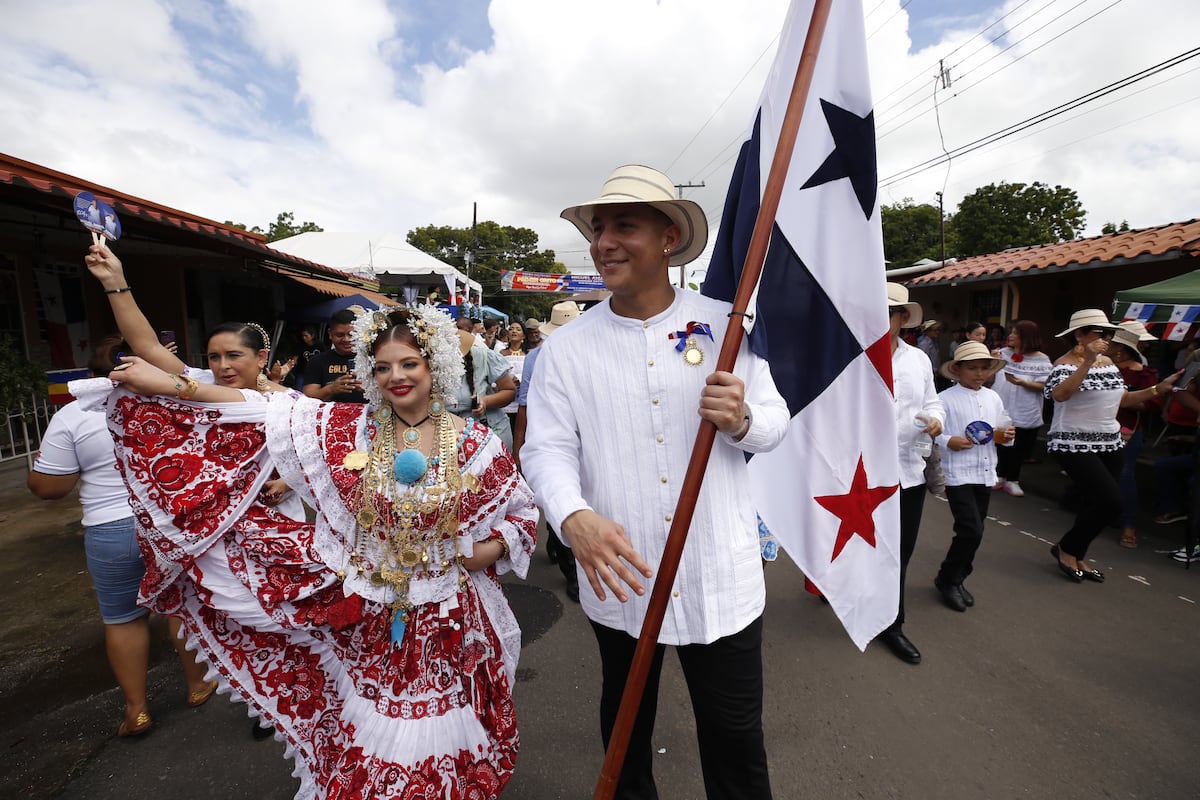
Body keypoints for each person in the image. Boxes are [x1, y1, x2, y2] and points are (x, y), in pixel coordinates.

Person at [100, 305, 537, 799]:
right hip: (373, 617)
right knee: (382, 745)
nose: (395, 376)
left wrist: (490, 549)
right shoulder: (345, 428)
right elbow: (253, 405)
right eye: (382, 367)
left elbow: (520, 512)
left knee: (445, 736)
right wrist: (166, 386)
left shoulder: (477, 443)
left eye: (409, 363)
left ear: (434, 364)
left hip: (453, 620)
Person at [522, 164, 789, 799]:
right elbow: (546, 449)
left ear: (669, 239)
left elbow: (776, 422)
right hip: (623, 575)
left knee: (735, 744)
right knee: (625, 730)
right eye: (598, 229)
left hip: (719, 574)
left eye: (624, 226)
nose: (604, 241)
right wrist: (572, 516)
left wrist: (743, 417)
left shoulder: (729, 326)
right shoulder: (568, 348)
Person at [27, 336, 216, 737]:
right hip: (169, 525)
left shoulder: (76, 414)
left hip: (110, 530)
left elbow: (49, 487)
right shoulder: (178, 402)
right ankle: (198, 684)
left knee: (123, 620)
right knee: (179, 607)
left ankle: (137, 710)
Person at [1044, 309, 1176, 582]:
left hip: (1110, 442)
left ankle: (1075, 552)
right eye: (1099, 332)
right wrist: (1087, 362)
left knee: (1098, 503)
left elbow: (1121, 400)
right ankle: (1067, 548)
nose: (1106, 338)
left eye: (1109, 333)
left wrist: (1157, 389)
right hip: (1073, 442)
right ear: (1079, 335)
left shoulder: (1107, 362)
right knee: (1111, 502)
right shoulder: (1064, 363)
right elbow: (1060, 395)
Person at [879, 284, 944, 664]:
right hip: (862, 475)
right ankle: (846, 594)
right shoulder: (852, 355)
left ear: (903, 318)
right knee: (857, 545)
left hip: (908, 471)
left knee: (899, 552)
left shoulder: (918, 360)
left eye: (888, 312)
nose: (879, 318)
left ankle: (892, 623)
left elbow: (933, 402)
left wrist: (936, 420)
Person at [932, 342, 1013, 612]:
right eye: (972, 368)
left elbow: (1002, 426)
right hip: (958, 473)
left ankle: (956, 577)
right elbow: (931, 430)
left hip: (985, 471)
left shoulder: (993, 398)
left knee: (975, 531)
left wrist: (1007, 435)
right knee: (971, 529)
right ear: (958, 369)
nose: (979, 373)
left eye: (984, 368)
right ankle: (948, 579)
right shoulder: (945, 399)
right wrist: (947, 440)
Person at [512, 299, 583, 603]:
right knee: (558, 492)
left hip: (586, 438)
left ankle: (563, 544)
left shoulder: (592, 352)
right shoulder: (535, 358)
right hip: (550, 436)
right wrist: (519, 447)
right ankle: (571, 570)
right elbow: (525, 404)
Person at [1110, 327, 1160, 548]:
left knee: (1125, 474)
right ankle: (1105, 515)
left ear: (1120, 348)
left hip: (1127, 430)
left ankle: (1129, 524)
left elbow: (1151, 405)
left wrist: (1123, 399)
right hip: (1095, 427)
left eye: (1110, 343)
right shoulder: (1100, 366)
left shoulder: (1143, 373)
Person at [992, 320, 1053, 497]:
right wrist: (992, 363)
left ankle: (1013, 479)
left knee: (1018, 447)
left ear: (1026, 337)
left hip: (1025, 409)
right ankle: (1000, 475)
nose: (1010, 336)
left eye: (1015, 333)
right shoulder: (1002, 354)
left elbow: (1046, 386)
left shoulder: (1041, 359)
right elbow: (987, 378)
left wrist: (1023, 383)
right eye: (1010, 332)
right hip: (1003, 406)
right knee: (1001, 443)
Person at [447, 329, 517, 450]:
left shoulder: (483, 356)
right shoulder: (426, 366)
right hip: (450, 441)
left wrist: (485, 401)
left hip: (490, 436)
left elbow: (509, 391)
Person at [304, 309, 367, 403]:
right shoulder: (317, 361)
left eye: (352, 335)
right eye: (340, 335)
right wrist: (331, 389)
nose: (346, 339)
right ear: (330, 334)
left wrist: (368, 388)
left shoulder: (373, 360)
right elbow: (307, 397)